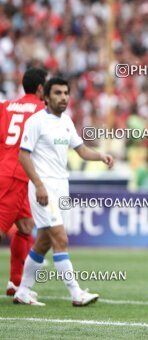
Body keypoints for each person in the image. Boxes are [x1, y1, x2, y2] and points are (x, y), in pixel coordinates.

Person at [14, 77, 114, 306]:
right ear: (46, 97)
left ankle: (23, 291)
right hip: (44, 189)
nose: (63, 97)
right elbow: (23, 155)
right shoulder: (36, 121)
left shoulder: (67, 121)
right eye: (58, 93)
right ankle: (76, 293)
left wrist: (100, 156)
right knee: (61, 238)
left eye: (66, 93)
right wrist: (38, 184)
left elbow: (80, 149)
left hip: (61, 188)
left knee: (43, 242)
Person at [0, 68, 48, 296]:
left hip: (14, 174)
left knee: (26, 226)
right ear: (41, 88)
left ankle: (16, 282)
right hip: (15, 175)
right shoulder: (42, 111)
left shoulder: (6, 106)